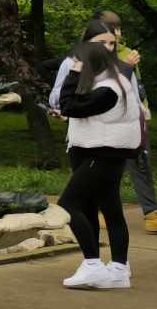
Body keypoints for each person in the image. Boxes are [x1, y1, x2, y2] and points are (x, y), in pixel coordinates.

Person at [51, 13, 157, 236]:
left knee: (138, 169)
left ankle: (152, 216)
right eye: (106, 36)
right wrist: (68, 103)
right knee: (94, 194)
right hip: (90, 139)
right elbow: (60, 97)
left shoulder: (123, 58)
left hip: (123, 133)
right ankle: (97, 243)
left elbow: (130, 92)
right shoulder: (73, 61)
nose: (114, 38)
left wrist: (142, 111)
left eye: (116, 33)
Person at [56, 40, 144, 289]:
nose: (74, 65)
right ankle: (118, 269)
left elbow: (69, 105)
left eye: (77, 62)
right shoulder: (112, 83)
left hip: (102, 154)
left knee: (68, 206)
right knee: (111, 209)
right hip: (107, 153)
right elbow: (83, 109)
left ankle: (93, 265)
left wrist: (73, 75)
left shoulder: (108, 90)